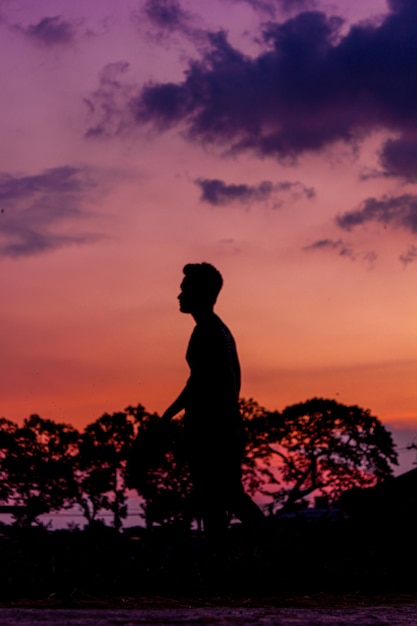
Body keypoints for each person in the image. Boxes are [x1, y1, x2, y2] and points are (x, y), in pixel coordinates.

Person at [162, 262, 265, 542]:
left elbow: (200, 383)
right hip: (221, 427)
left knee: (224, 498)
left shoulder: (209, 332)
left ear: (202, 293)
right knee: (216, 501)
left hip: (214, 431)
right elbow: (206, 381)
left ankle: (274, 548)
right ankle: (221, 566)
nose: (179, 295)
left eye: (185, 289)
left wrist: (169, 417)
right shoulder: (216, 330)